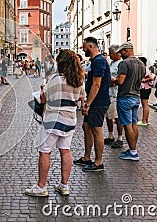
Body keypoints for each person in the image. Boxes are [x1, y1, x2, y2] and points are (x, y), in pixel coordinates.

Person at [24, 50, 85, 197]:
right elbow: (81, 98)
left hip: (53, 119)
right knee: (65, 150)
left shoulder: (55, 79)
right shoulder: (78, 80)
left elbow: (44, 99)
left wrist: (42, 91)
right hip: (70, 119)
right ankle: (64, 185)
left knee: (45, 151)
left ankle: (41, 187)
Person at [74, 36, 110, 172]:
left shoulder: (98, 61)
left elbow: (96, 84)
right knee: (86, 126)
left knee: (96, 129)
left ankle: (98, 162)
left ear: (90, 46)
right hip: (95, 100)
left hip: (98, 101)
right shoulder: (96, 61)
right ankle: (87, 157)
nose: (83, 49)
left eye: (84, 47)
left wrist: (87, 104)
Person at [114, 42, 145, 161]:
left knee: (127, 126)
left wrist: (113, 81)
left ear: (127, 50)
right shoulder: (141, 63)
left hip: (125, 96)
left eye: (122, 51)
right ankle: (133, 149)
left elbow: (120, 81)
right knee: (133, 124)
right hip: (136, 97)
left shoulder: (124, 63)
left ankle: (133, 152)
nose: (121, 54)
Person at [104, 45, 124, 149]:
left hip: (115, 93)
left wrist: (112, 81)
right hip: (109, 92)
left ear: (118, 53)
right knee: (108, 116)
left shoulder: (121, 64)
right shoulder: (111, 63)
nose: (110, 55)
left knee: (116, 117)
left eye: (111, 53)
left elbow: (120, 79)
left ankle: (120, 138)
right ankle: (110, 135)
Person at [138, 57, 154, 126]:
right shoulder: (144, 68)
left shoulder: (144, 68)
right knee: (145, 104)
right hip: (145, 88)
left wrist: (143, 80)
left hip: (145, 88)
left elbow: (151, 77)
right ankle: (145, 120)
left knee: (145, 104)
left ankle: (144, 121)